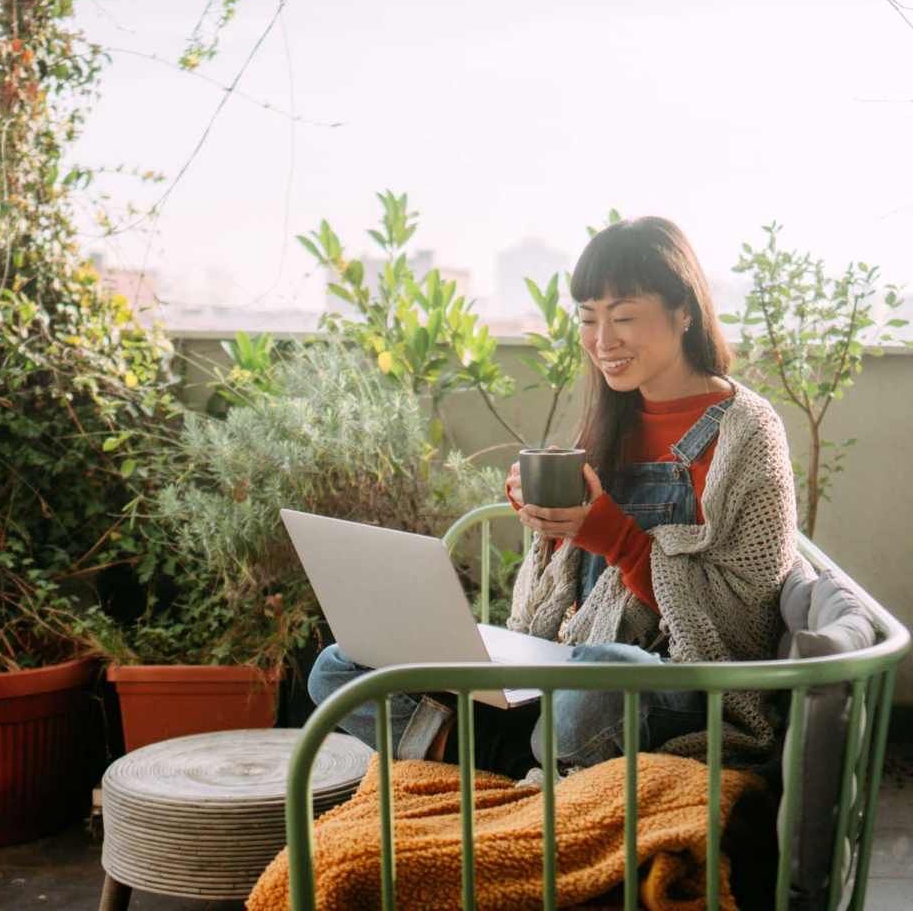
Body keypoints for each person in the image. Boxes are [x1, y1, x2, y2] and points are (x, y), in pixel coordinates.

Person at [309, 216, 805, 777]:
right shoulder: (612, 419)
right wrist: (544, 520)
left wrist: (611, 537)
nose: (602, 341)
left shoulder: (748, 430)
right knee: (338, 669)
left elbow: (745, 621)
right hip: (569, 669)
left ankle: (498, 752)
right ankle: (529, 756)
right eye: (588, 319)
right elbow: (571, 592)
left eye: (623, 318)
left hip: (682, 685)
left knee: (602, 674)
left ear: (684, 312)